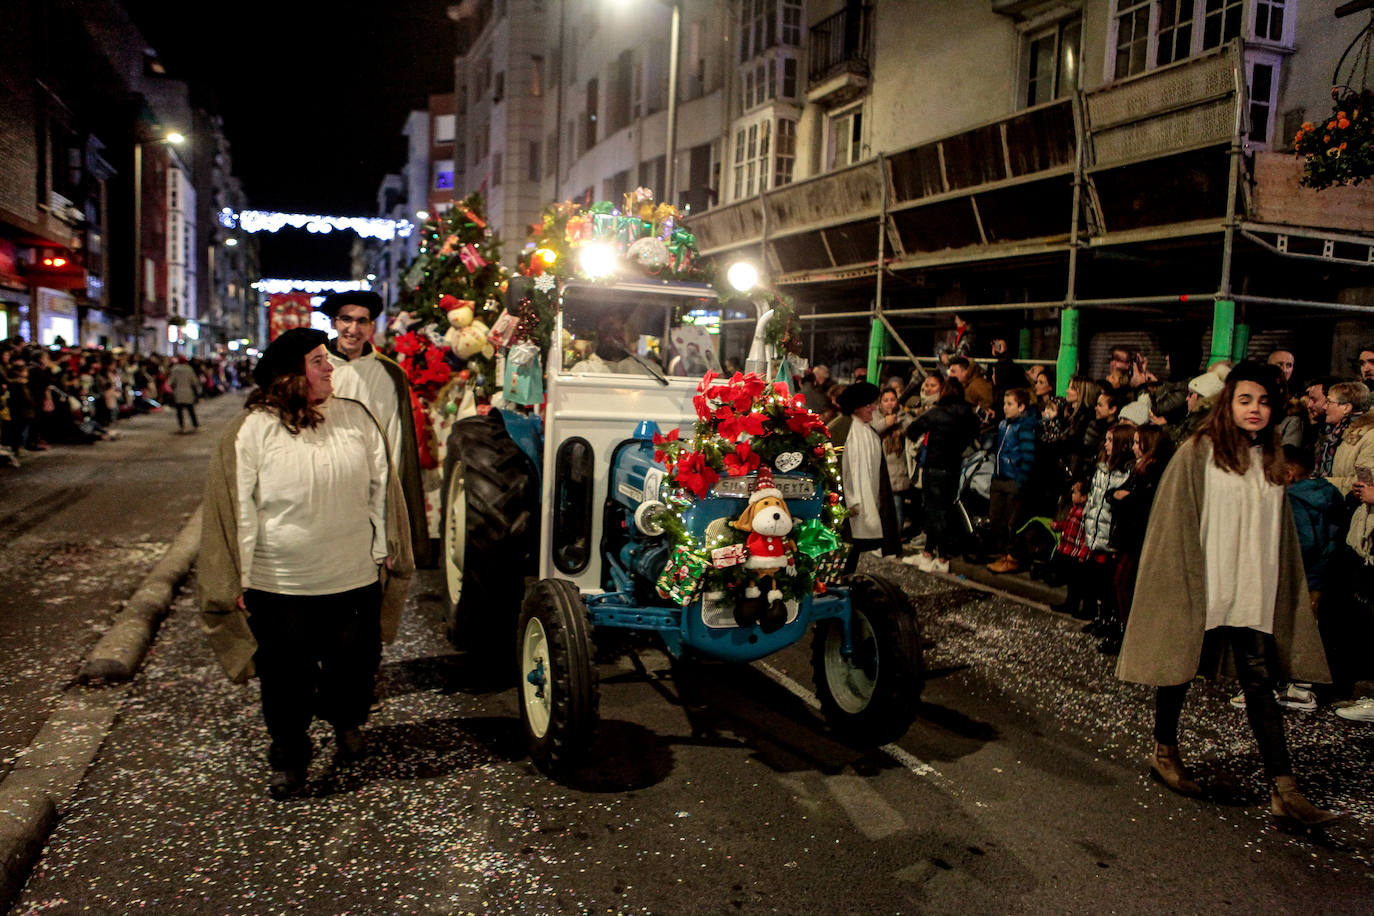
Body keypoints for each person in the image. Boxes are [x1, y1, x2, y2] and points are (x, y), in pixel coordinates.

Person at [197, 328, 415, 800]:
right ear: (292, 375)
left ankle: (346, 720)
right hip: (281, 585)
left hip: (353, 575)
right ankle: (291, 755)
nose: (330, 366)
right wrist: (237, 576)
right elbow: (236, 508)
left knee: (355, 666)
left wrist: (388, 545)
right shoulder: (251, 430)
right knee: (285, 678)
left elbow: (382, 486)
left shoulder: (356, 417)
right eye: (318, 361)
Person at [1115, 362, 1337, 825]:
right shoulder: (1200, 451)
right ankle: (1164, 750)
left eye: (1264, 401)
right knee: (1179, 670)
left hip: (1252, 592)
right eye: (1245, 400)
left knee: (1260, 685)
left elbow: (1278, 537)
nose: (1255, 409)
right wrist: (1178, 585)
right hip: (1203, 586)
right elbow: (1173, 523)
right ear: (1228, 403)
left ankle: (1285, 790)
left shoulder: (1273, 458)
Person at [319, 290, 432, 568]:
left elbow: (394, 441)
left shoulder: (389, 374)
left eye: (362, 321)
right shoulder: (316, 366)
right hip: (320, 482)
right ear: (334, 322)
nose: (353, 329)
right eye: (346, 319)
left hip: (368, 488)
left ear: (371, 327)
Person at [1102, 426, 1174, 654]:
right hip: (1128, 536)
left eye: (1137, 442)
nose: (1133, 447)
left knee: (1125, 582)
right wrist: (1123, 497)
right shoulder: (1138, 469)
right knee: (1121, 582)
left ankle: (1130, 633)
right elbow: (1113, 494)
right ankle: (1124, 630)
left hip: (1140, 538)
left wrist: (1127, 498)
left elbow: (1142, 503)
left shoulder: (1157, 471)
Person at [903, 377, 979, 573]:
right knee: (944, 509)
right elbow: (973, 434)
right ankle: (929, 552)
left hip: (934, 467)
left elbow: (912, 430)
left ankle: (941, 556)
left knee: (933, 511)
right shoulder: (968, 416)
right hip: (954, 467)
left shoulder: (937, 413)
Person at [1079, 424, 1135, 647]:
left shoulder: (1126, 472)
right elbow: (1094, 497)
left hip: (1110, 533)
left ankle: (1114, 622)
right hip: (1096, 529)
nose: (1106, 444)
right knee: (1099, 580)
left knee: (1113, 583)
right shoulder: (1102, 468)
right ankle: (1102, 617)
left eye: (1111, 441)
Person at [839, 382, 898, 570]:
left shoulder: (868, 431)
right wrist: (850, 501)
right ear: (856, 406)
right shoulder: (848, 431)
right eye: (868, 405)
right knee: (848, 549)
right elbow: (846, 469)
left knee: (855, 550)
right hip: (855, 503)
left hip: (868, 499)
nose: (873, 408)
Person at [986, 388, 1036, 574]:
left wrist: (1020, 480)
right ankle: (1004, 554)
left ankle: (1013, 557)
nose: (1005, 408)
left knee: (1012, 522)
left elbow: (1028, 455)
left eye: (1010, 404)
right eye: (1004, 404)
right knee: (997, 520)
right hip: (1000, 477)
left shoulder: (1024, 427)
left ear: (1021, 406)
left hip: (1013, 480)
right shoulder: (1003, 425)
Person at [871, 388, 915, 538]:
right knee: (878, 506)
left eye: (892, 399)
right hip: (880, 470)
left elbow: (912, 429)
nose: (889, 403)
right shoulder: (874, 417)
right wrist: (886, 423)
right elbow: (872, 431)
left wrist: (898, 424)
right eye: (886, 400)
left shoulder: (904, 417)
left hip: (898, 470)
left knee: (897, 506)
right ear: (880, 403)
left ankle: (895, 538)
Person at [1320, 381, 1374, 495]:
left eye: (1329, 402)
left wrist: (1320, 483)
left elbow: (1363, 485)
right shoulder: (1337, 435)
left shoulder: (1368, 437)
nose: (1324, 407)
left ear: (1346, 407)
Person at [167, 357, 201, 433]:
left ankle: (182, 426)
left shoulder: (175, 369)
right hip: (188, 391)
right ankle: (195, 425)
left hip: (178, 392)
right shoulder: (189, 369)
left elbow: (171, 381)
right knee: (190, 409)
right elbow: (194, 381)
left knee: (179, 411)